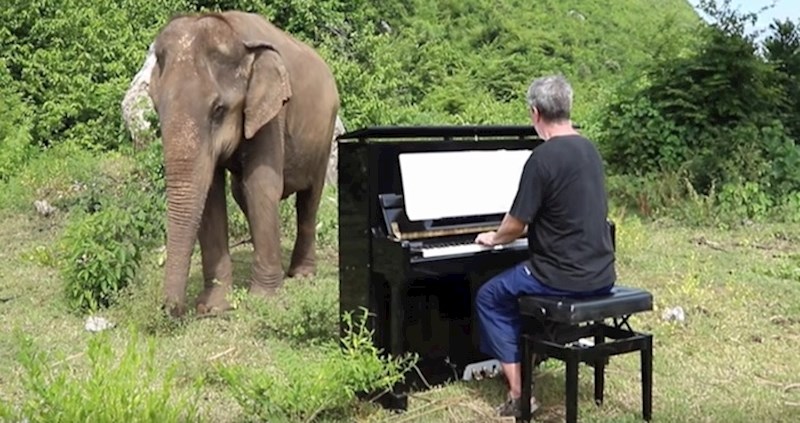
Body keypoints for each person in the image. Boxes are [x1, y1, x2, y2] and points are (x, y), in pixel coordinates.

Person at [473, 74, 616, 417]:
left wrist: (493, 238)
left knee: (489, 296)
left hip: (559, 277)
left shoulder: (542, 158)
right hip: (602, 273)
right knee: (514, 285)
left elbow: (516, 225)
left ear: (535, 113)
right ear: (567, 107)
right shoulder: (590, 150)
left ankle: (520, 393)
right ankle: (529, 357)